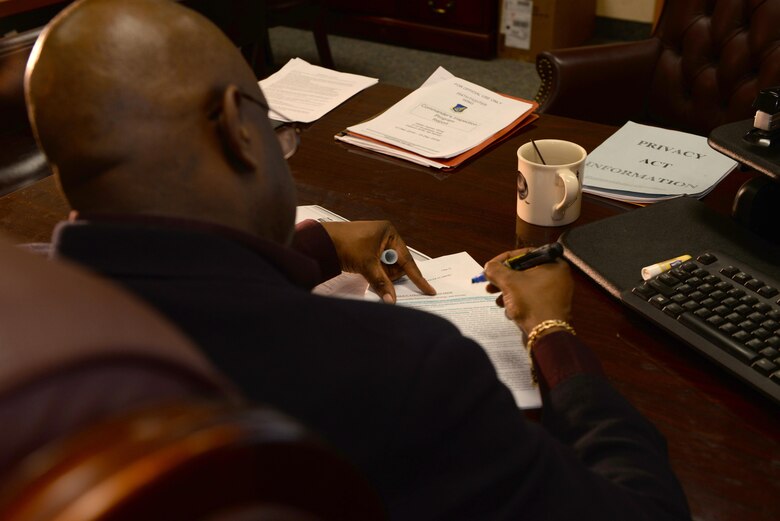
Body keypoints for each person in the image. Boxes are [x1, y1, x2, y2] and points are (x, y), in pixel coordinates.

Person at [25, 0, 690, 519]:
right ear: (239, 128)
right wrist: (553, 334)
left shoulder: (29, 311)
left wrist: (311, 245)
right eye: (278, 127)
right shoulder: (409, 371)